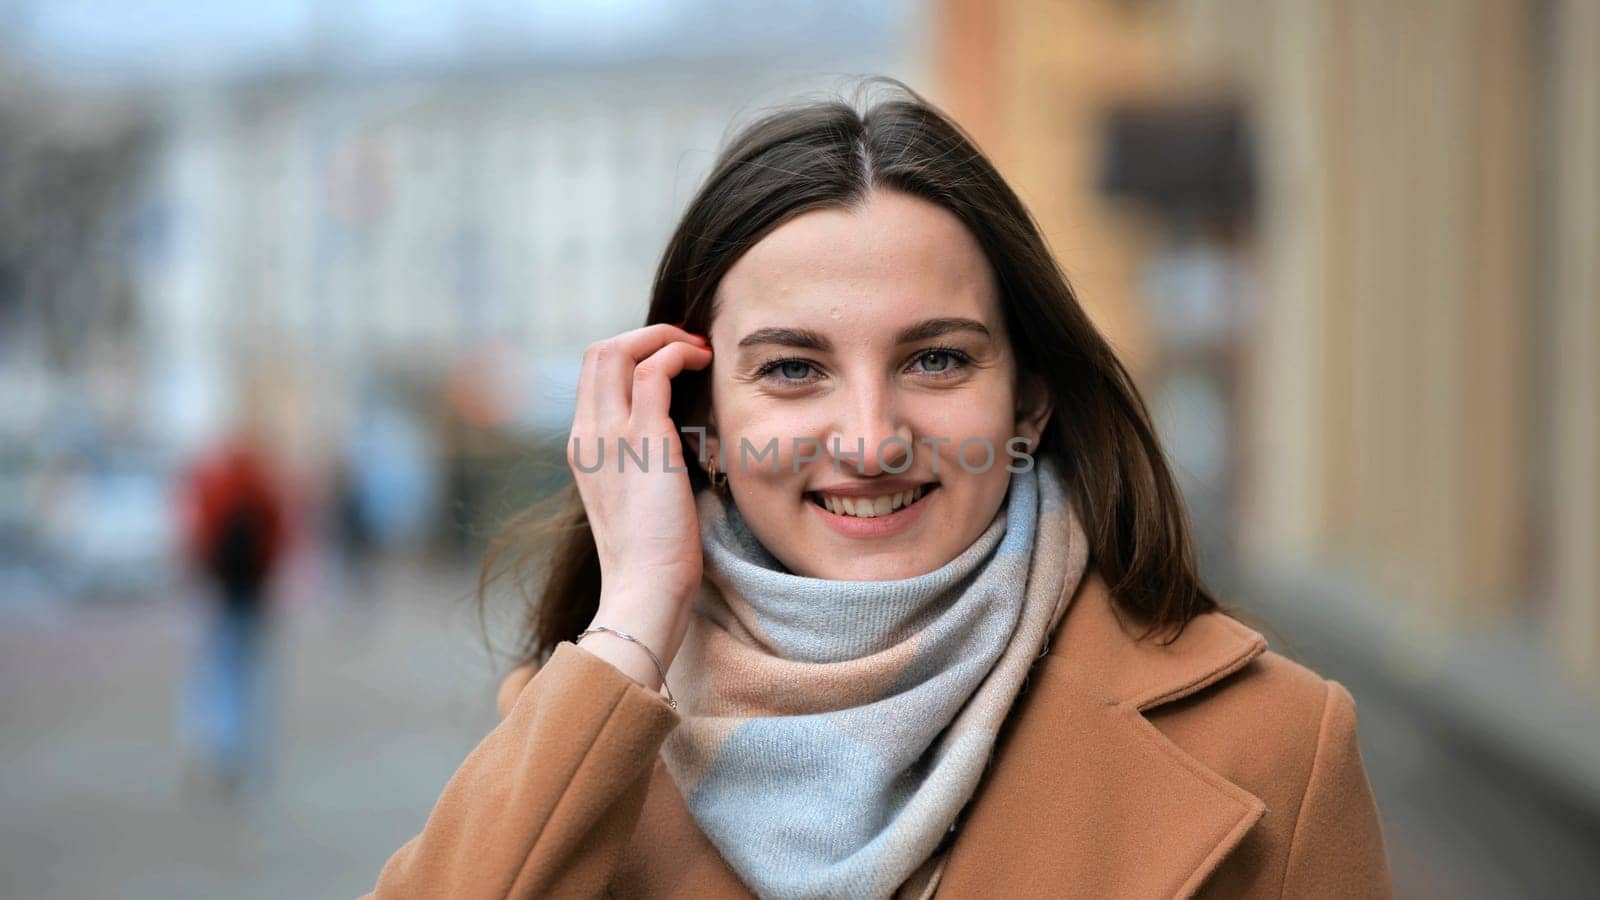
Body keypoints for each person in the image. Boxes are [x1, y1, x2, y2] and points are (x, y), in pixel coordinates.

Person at [368, 78, 1393, 898]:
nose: (870, 439)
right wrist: (636, 610)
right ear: (701, 424)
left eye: (937, 361)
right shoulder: (575, 751)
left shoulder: (1276, 752)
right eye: (791, 368)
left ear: (1027, 404)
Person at [175, 428, 290, 793]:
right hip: (253, 593)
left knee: (217, 669)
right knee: (249, 672)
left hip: (222, 592)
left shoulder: (217, 487)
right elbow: (279, 537)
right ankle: (244, 747)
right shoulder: (263, 490)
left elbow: (199, 536)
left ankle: (218, 746)